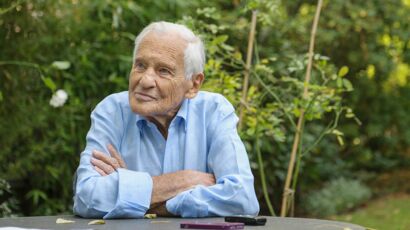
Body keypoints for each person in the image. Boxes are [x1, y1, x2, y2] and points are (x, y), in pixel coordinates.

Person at [73, 21, 259, 219]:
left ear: (194, 84)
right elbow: (86, 197)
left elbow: (242, 199)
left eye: (163, 71)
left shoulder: (214, 111)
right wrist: (179, 182)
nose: (145, 81)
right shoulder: (112, 112)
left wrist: (134, 195)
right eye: (140, 65)